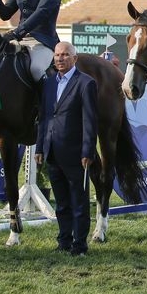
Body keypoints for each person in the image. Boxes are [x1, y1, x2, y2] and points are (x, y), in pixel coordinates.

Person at [35, 42, 97, 257]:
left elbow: (90, 121)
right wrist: (40, 147)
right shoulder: (49, 84)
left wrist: (88, 151)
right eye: (57, 55)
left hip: (77, 154)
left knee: (78, 202)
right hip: (52, 152)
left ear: (74, 58)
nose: (60, 59)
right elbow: (44, 118)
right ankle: (64, 241)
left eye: (65, 55)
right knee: (61, 203)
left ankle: (79, 245)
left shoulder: (86, 83)